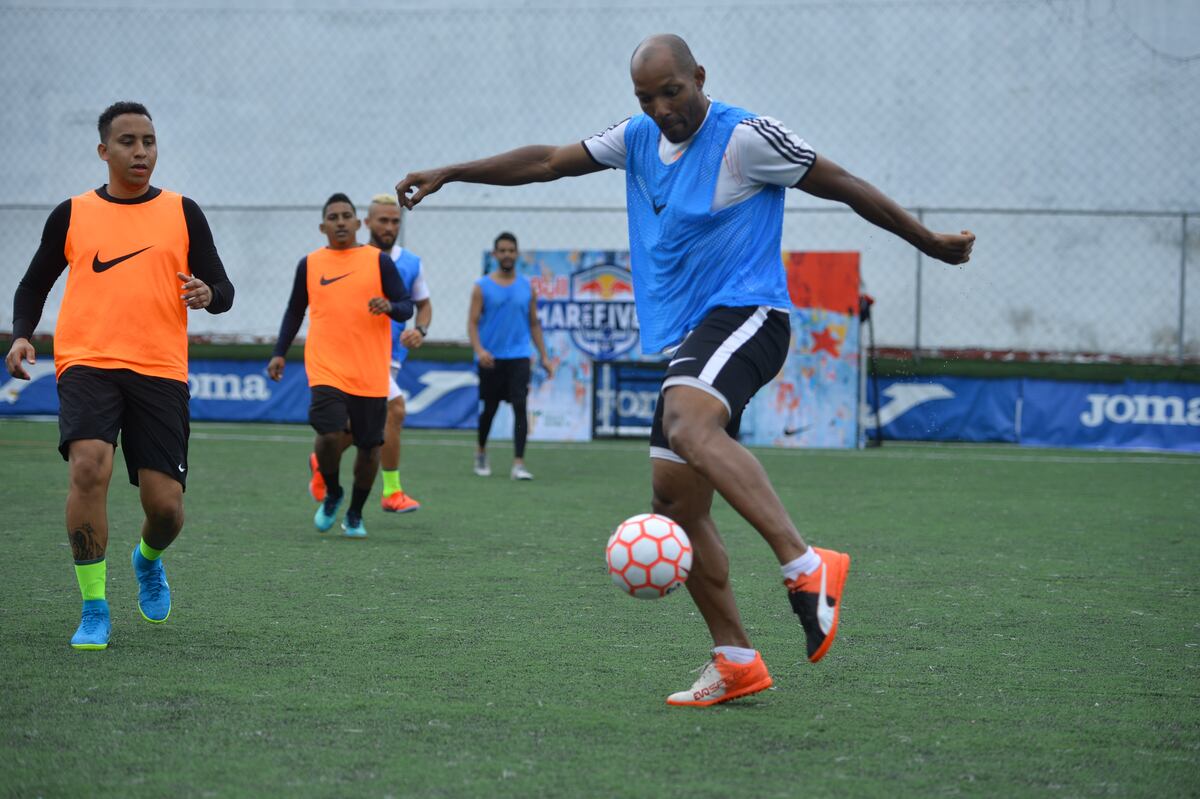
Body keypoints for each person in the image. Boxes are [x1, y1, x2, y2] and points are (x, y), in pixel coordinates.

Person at [396, 34, 975, 706]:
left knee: (687, 423)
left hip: (751, 315)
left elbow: (844, 185)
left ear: (699, 76)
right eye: (647, 98)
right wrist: (452, 171)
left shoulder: (746, 139)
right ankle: (736, 659)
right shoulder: (637, 136)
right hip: (694, 337)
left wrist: (927, 241)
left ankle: (806, 563)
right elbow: (549, 161)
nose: (661, 108)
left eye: (672, 91)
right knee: (675, 503)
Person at [5, 101, 236, 650]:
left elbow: (224, 290)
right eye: (128, 142)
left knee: (166, 508)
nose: (141, 152)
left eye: (149, 142)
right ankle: (94, 607)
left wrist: (208, 293)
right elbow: (33, 283)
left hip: (160, 369)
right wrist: (20, 334)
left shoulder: (183, 212)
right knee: (89, 467)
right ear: (103, 150)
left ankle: (147, 559)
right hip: (88, 362)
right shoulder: (73, 213)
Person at [268, 194, 413, 538]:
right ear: (323, 227)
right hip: (326, 368)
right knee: (329, 435)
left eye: (347, 216)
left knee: (369, 448)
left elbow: (406, 306)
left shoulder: (378, 261)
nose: (341, 222)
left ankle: (355, 512)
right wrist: (279, 352)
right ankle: (333, 492)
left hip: (369, 370)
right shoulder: (309, 264)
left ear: (358, 223)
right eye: (333, 217)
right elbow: (294, 310)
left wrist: (390, 307)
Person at [306, 194, 432, 514]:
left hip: (391, 357)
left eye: (395, 221)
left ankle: (322, 461)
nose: (389, 227)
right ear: (367, 223)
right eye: (383, 221)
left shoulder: (411, 262)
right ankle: (391, 491)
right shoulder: (352, 258)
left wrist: (420, 330)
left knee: (360, 429)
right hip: (357, 357)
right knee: (396, 410)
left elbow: (422, 304)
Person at [467, 232, 554, 480]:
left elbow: (534, 323)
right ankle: (481, 452)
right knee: (489, 409)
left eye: (511, 250)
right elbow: (472, 323)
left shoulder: (527, 286)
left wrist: (544, 356)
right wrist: (480, 351)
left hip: (519, 356)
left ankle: (518, 464)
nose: (507, 255)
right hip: (491, 359)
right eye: (502, 250)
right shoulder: (482, 286)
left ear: (517, 254)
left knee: (520, 406)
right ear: (495, 254)